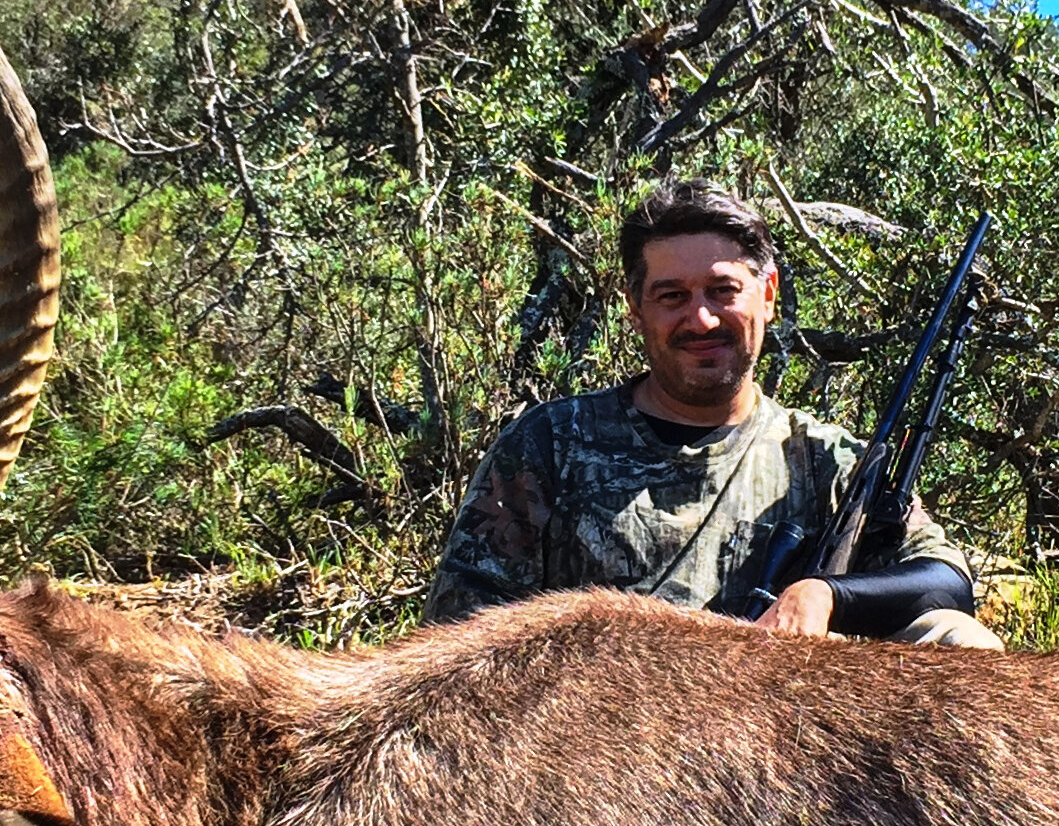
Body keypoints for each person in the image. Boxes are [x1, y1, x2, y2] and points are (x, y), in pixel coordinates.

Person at [424, 180, 1002, 645]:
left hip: (781, 740)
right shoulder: (549, 443)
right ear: (636, 309)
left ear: (768, 293)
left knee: (956, 638)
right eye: (672, 296)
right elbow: (459, 633)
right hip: (593, 753)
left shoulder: (830, 460)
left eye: (722, 291)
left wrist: (826, 595)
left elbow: (946, 582)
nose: (700, 320)